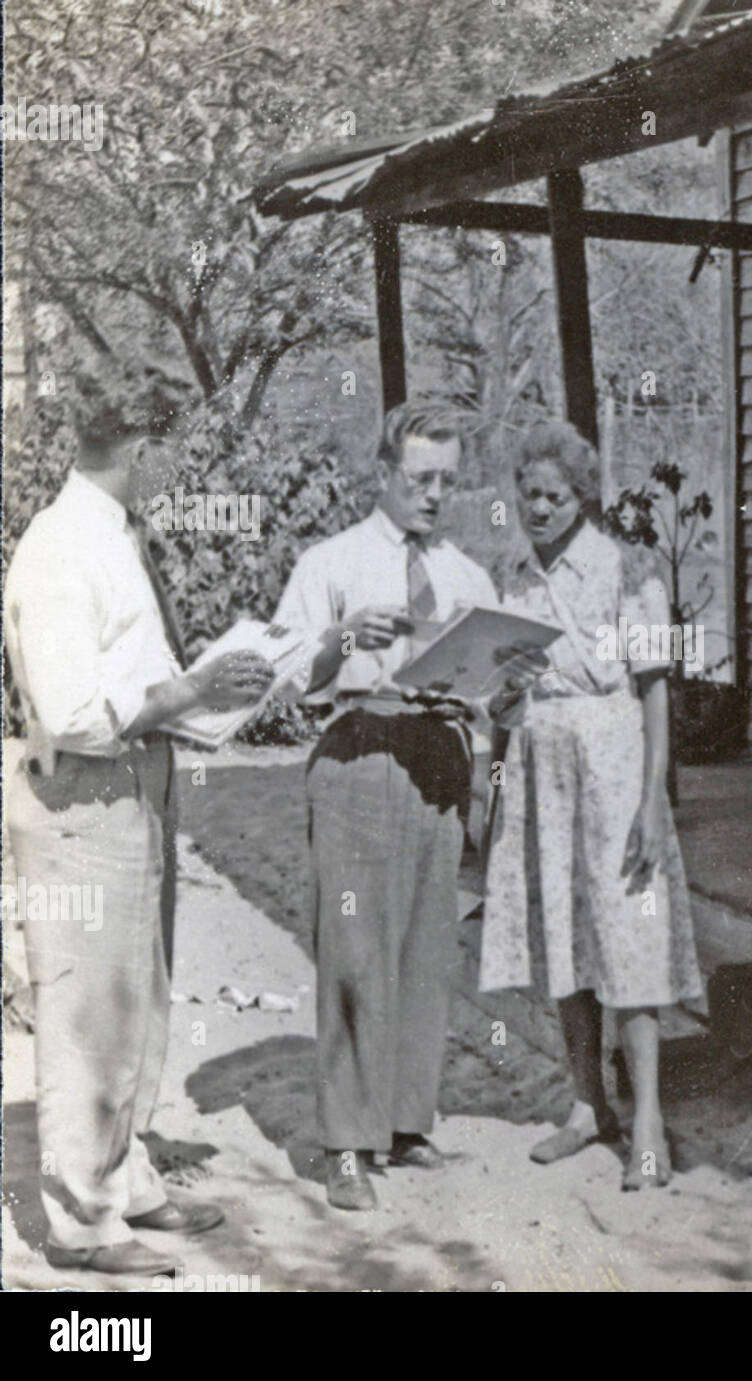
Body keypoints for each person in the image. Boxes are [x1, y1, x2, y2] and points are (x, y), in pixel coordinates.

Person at [5, 361, 276, 1276]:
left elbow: (149, 683)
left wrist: (236, 687)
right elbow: (75, 707)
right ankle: (82, 1223)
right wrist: (194, 687)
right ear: (141, 447)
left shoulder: (119, 536)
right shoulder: (56, 548)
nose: (176, 472)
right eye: (172, 453)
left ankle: (128, 1178)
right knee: (88, 1011)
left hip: (135, 789)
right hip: (82, 797)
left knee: (141, 1000)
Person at [273, 401, 498, 1211]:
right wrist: (341, 637)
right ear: (383, 475)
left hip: (440, 754)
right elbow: (287, 675)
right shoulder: (330, 562)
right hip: (360, 750)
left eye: (447, 481)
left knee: (425, 946)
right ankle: (344, 1142)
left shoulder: (468, 574)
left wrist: (509, 678)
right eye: (419, 480)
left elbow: (490, 685)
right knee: (356, 949)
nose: (434, 496)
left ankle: (404, 1122)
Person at [479, 419, 703, 1190]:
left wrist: (651, 799)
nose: (539, 508)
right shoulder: (511, 574)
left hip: (612, 763)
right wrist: (501, 705)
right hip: (540, 758)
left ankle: (647, 1120)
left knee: (628, 935)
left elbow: (655, 690)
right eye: (529, 494)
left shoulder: (624, 569)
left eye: (555, 496)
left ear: (582, 498)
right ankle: (587, 1103)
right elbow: (502, 701)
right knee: (563, 935)